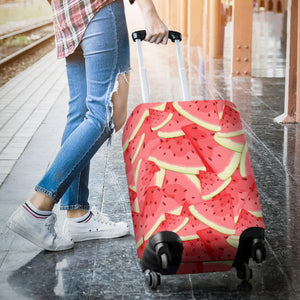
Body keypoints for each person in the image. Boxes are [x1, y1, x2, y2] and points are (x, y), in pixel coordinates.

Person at [7, 0, 169, 251]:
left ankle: (77, 214)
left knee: (80, 112)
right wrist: (150, 13)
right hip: (100, 8)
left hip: (67, 15)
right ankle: (37, 207)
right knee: (103, 115)